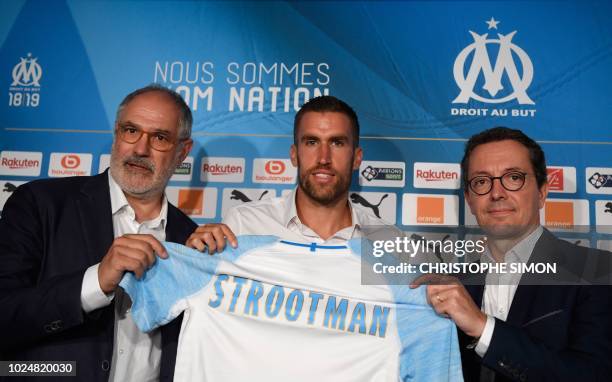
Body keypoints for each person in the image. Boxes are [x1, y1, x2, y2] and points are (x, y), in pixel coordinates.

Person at [0, 84, 197, 381]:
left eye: (159, 138)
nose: (140, 149)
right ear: (117, 134)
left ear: (183, 151)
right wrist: (94, 282)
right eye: (131, 131)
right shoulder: (41, 204)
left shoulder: (191, 240)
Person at [413, 127, 612, 381]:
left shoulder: (597, 271)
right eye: (481, 181)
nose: (496, 194)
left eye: (514, 178)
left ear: (542, 191)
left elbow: (595, 375)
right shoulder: (453, 287)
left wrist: (483, 327)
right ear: (469, 199)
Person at [186, 95, 396, 250]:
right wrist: (192, 257)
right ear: (294, 155)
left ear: (357, 158)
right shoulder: (245, 224)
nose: (324, 158)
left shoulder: (387, 243)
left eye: (337, 143)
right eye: (312, 142)